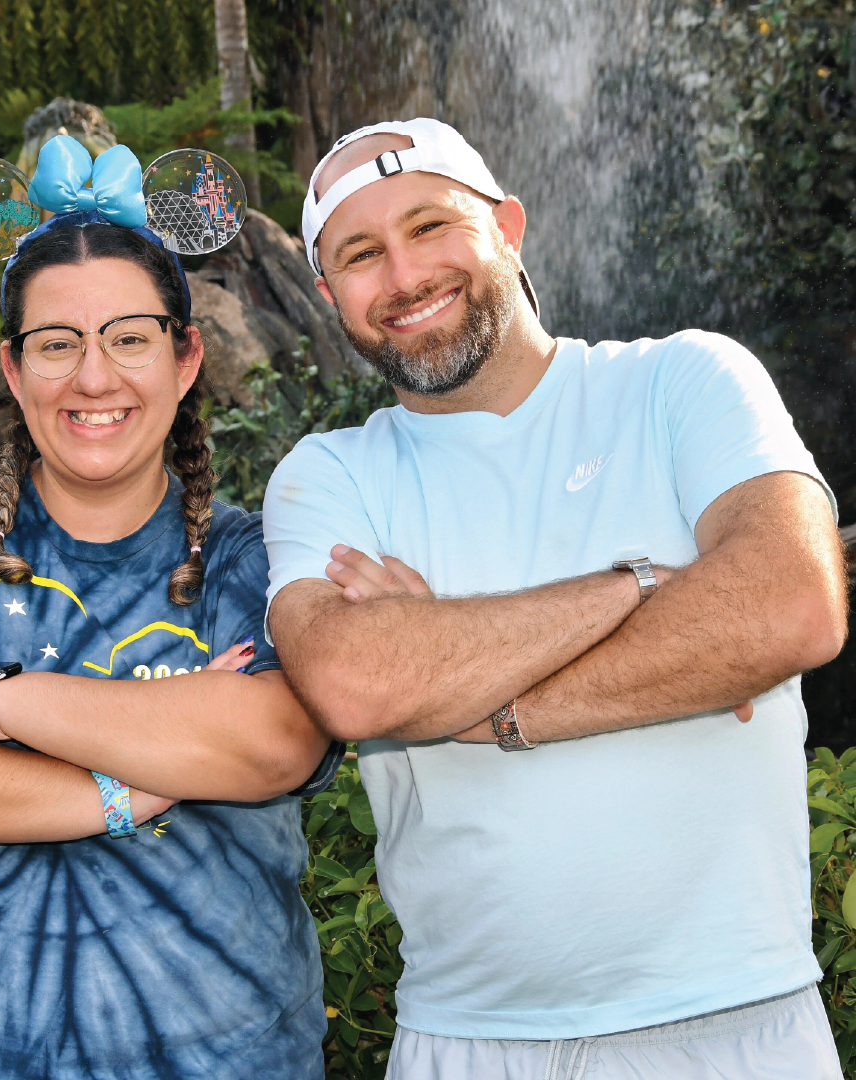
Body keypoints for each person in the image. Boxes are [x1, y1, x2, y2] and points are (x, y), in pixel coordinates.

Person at [262, 117, 849, 1079]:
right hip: (466, 1042)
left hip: (739, 1024)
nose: (404, 274)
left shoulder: (685, 379)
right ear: (329, 295)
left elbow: (789, 605)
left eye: (431, 226)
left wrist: (476, 701)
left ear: (507, 226)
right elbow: (356, 686)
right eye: (360, 254)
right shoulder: (330, 475)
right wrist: (643, 588)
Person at [0, 138, 338, 1080]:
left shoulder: (252, 556)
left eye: (130, 338)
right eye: (56, 344)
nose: (93, 377)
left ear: (186, 356)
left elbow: (271, 743)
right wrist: (121, 792)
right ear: (12, 368)